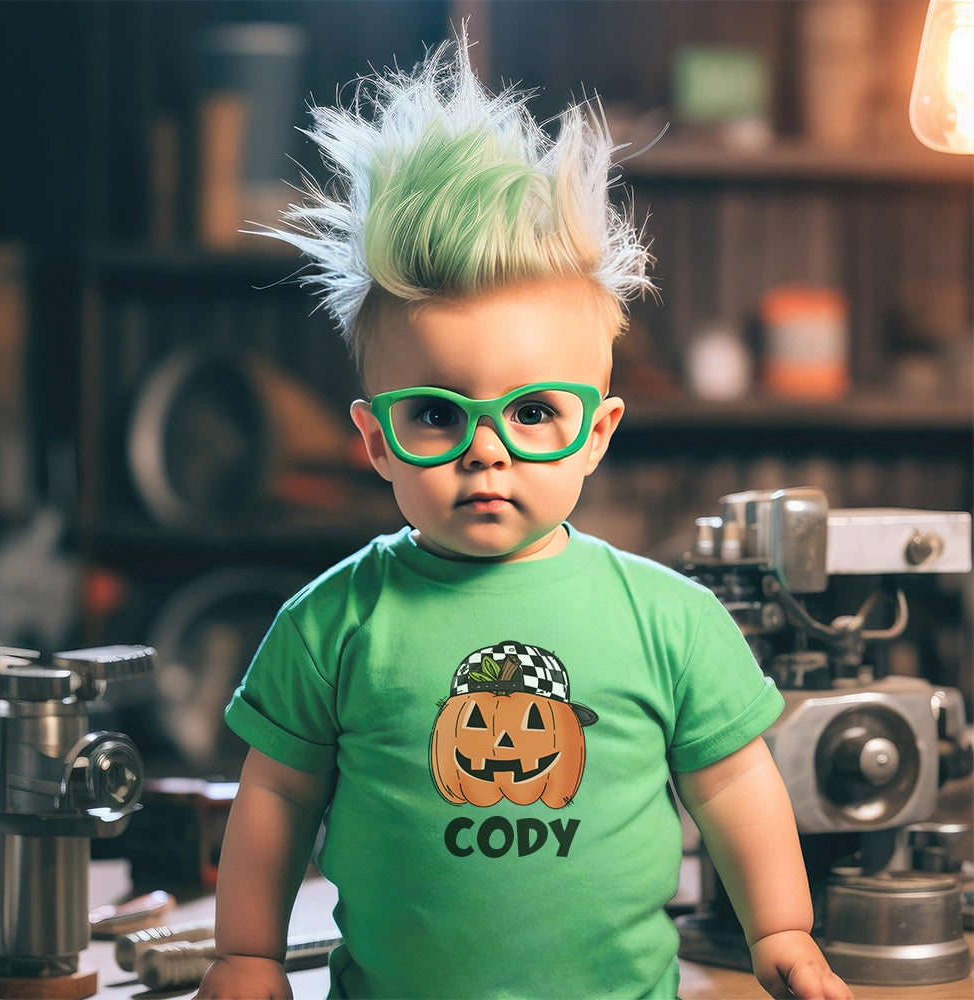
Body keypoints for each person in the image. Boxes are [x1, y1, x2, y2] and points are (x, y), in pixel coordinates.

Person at [196, 31, 852, 1000]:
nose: (486, 450)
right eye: (435, 414)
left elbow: (732, 782)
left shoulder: (665, 618)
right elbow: (278, 791)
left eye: (535, 412)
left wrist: (782, 930)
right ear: (376, 439)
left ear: (596, 432)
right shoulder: (333, 620)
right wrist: (245, 956)